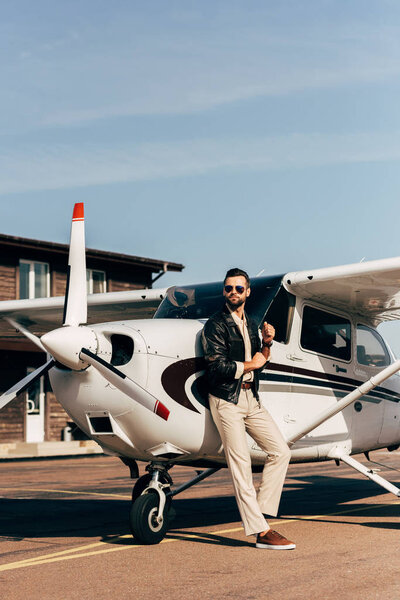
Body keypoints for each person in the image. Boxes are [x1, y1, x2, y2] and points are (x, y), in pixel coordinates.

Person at [201, 267, 295, 550]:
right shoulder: (215, 325)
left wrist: (267, 343)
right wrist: (250, 365)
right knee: (240, 463)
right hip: (226, 399)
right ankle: (261, 531)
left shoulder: (253, 322)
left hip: (250, 398)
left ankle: (262, 512)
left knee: (281, 451)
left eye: (238, 289)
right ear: (224, 292)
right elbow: (216, 366)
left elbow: (262, 358)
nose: (233, 293)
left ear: (248, 292)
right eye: (228, 288)